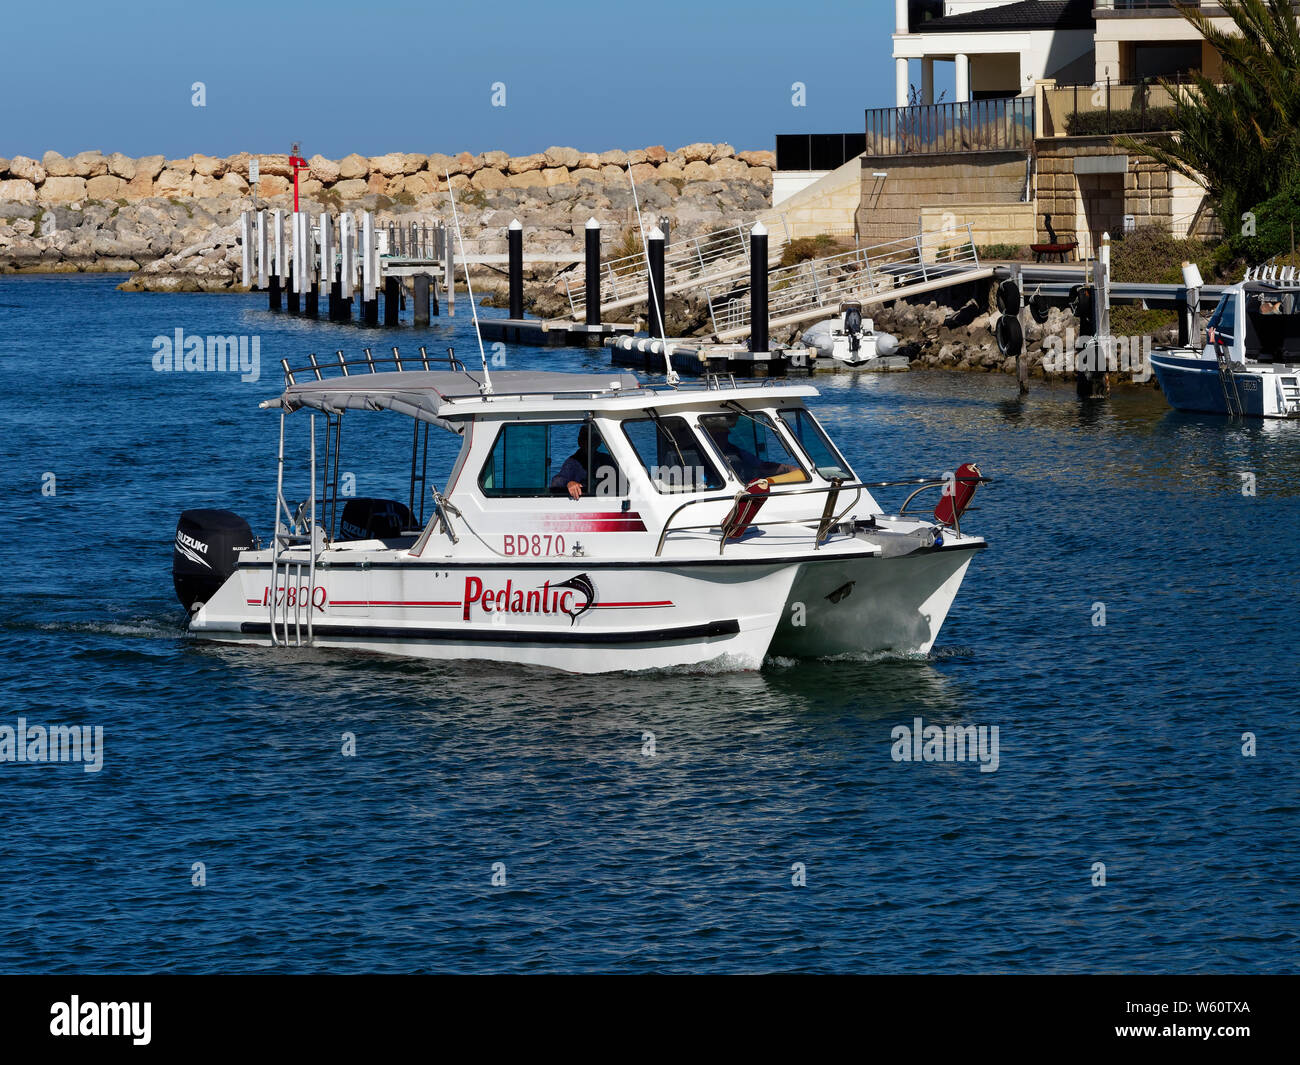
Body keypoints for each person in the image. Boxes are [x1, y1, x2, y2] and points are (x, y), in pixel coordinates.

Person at [703, 414, 795, 483]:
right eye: (719, 435)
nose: (723, 438)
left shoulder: (735, 451)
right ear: (709, 435)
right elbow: (696, 488)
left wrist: (787, 468)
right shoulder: (695, 455)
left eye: (725, 434)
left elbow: (762, 466)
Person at [550, 425, 617, 500]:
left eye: (594, 438)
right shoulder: (572, 462)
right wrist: (569, 483)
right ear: (579, 441)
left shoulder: (607, 460)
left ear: (599, 442)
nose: (590, 441)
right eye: (586, 438)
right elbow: (556, 482)